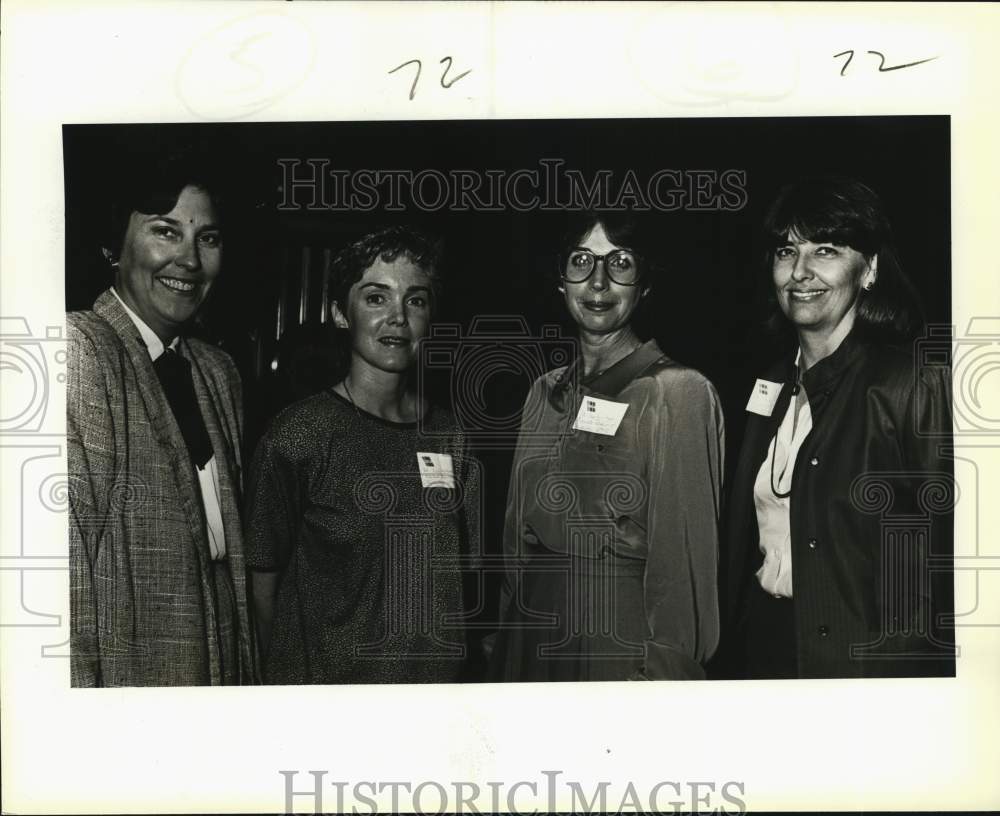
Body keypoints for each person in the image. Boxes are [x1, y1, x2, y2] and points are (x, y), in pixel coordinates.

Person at [720, 176, 954, 679]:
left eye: (825, 250)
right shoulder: (768, 385)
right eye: (786, 251)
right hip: (765, 646)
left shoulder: (911, 384)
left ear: (868, 269)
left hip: (862, 663)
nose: (800, 272)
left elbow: (951, 554)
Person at [490, 212, 724, 681]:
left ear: (645, 284)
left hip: (614, 641)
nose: (598, 282)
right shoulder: (544, 392)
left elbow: (683, 567)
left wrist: (666, 675)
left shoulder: (676, 391)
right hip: (529, 631)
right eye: (581, 261)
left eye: (620, 263)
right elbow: (516, 539)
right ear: (561, 280)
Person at [245, 226, 481, 684]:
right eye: (376, 298)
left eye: (415, 300)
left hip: (433, 701)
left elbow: (463, 579)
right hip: (332, 701)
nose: (398, 317)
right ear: (339, 313)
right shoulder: (299, 435)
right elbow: (263, 586)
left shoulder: (450, 434)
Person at [67, 161, 257, 686]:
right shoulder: (81, 350)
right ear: (113, 247)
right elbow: (64, 576)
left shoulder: (218, 372)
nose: (190, 260)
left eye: (208, 238)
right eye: (165, 231)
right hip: (132, 671)